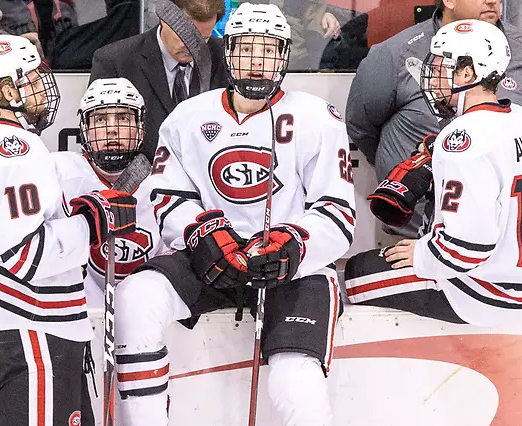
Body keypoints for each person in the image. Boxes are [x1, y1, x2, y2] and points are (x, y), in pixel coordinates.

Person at [112, 3, 355, 425]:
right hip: (212, 258)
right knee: (136, 298)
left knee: (295, 381)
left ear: (284, 56)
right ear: (228, 52)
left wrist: (294, 243)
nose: (257, 62)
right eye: (246, 49)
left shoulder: (317, 117)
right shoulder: (190, 116)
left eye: (269, 51)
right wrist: (200, 233)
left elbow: (338, 213)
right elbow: (167, 195)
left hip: (290, 266)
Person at [0, 34, 137, 425]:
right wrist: (91, 224)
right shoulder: (18, 148)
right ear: (5, 89)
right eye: (29, 78)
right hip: (31, 327)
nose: (40, 86)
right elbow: (27, 255)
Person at [344, 19, 522, 326]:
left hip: (484, 294)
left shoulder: (462, 137)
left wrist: (421, 255)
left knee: (354, 275)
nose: (432, 76)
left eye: (444, 66)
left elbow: (468, 248)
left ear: (468, 73)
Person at [345, 0, 522, 237]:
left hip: (508, 237)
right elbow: (361, 126)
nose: (493, 1)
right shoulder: (394, 54)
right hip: (415, 238)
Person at [52, 77, 167, 307]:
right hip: (75, 319)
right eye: (100, 119)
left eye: (123, 118)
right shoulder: (56, 173)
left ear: (140, 127)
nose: (112, 129)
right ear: (84, 130)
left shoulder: (164, 182)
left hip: (143, 319)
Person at [89, 0, 229, 163]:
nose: (192, 47)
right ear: (164, 19)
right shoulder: (115, 61)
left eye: (202, 39)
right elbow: (98, 136)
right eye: (185, 37)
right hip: (140, 181)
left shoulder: (229, 59)